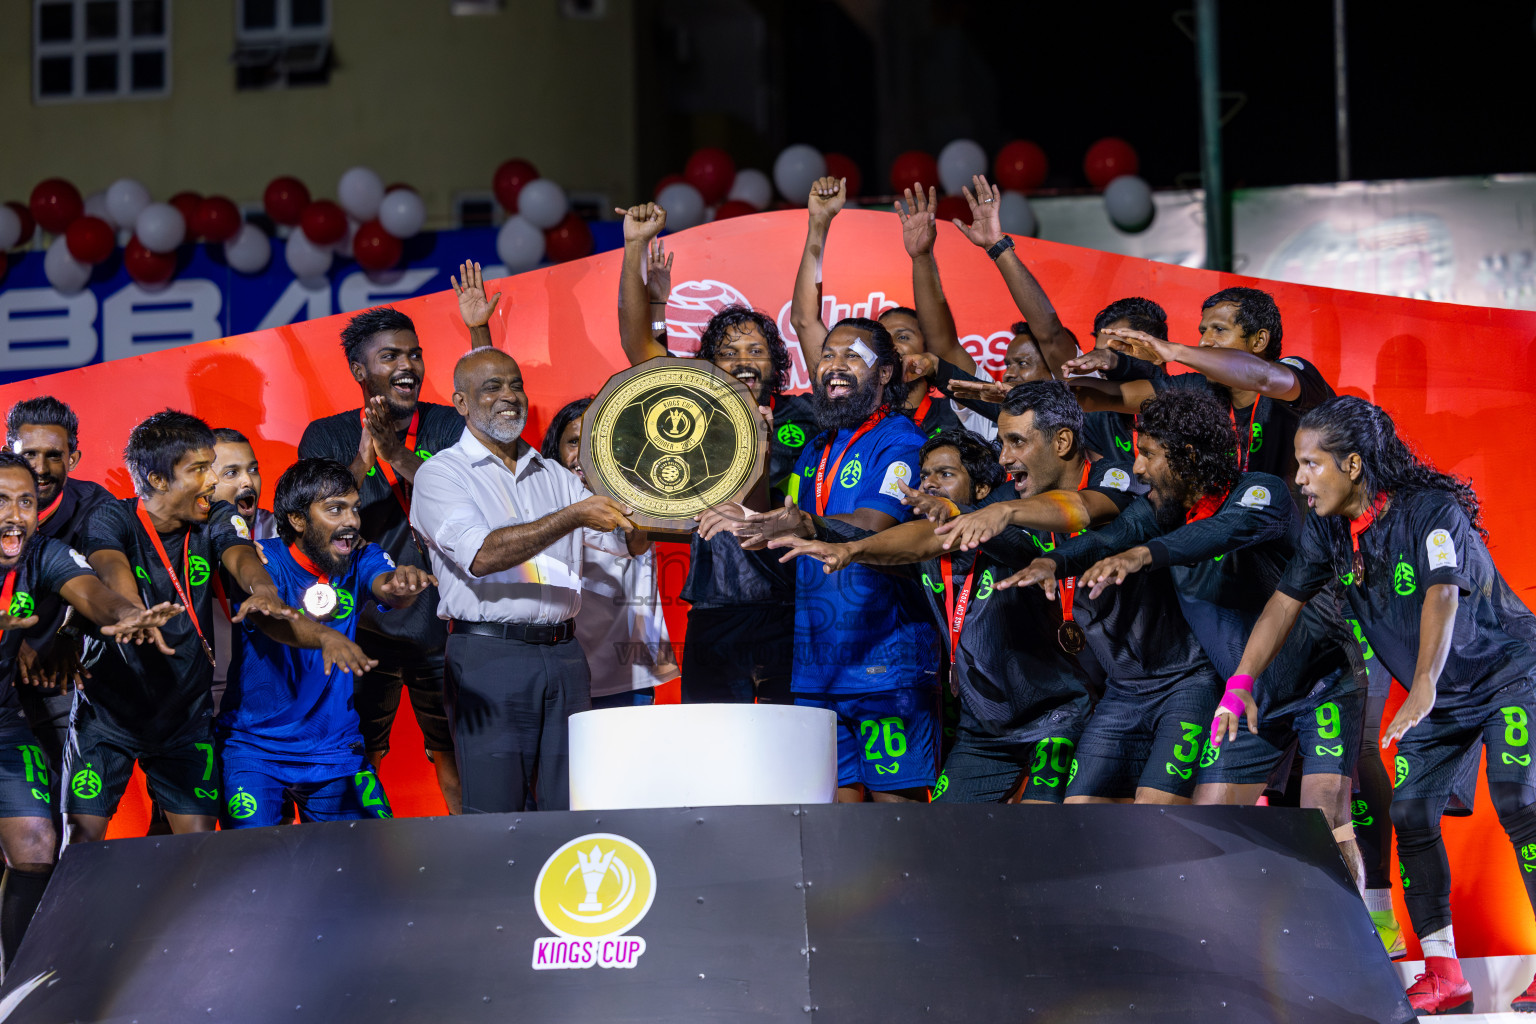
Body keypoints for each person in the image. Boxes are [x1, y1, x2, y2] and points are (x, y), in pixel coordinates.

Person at [1221, 396, 1536, 1014]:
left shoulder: (1431, 512)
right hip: (1434, 695)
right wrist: (1241, 683)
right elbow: (1283, 605)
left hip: (1506, 676)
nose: (1301, 479)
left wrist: (1421, 685)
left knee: (1519, 801)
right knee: (1412, 815)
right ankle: (1444, 972)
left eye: (1312, 464)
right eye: (1298, 465)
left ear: (1355, 465)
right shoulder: (1328, 529)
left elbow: (1442, 594)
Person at [1068, 390, 1365, 883]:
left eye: (1148, 455)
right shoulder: (1164, 512)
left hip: (1323, 685)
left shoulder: (1261, 491)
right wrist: (1047, 560)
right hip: (1251, 701)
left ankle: (1362, 940)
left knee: (1325, 823)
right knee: (1207, 821)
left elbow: (1218, 534)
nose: (1138, 469)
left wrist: (1142, 556)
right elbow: (1104, 537)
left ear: (1185, 457)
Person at [770, 426, 1099, 804]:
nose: (929, 484)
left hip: (1053, 720)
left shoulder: (1016, 533)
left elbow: (995, 541)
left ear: (979, 489)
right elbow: (906, 543)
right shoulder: (928, 555)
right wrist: (825, 531)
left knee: (1044, 830)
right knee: (943, 836)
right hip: (985, 732)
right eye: (924, 475)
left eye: (945, 475)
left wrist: (963, 515)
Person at [699, 318, 941, 802]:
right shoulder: (817, 446)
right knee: (837, 822)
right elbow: (790, 521)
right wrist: (747, 513)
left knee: (898, 824)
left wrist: (803, 523)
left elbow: (874, 525)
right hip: (816, 668)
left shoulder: (902, 441)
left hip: (883, 666)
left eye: (853, 356)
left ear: (886, 373)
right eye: (828, 355)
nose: (835, 366)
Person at [410, 348, 640, 814]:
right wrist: (572, 516)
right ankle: (494, 889)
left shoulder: (556, 475)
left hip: (566, 656)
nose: (508, 396)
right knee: (495, 810)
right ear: (460, 402)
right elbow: (481, 554)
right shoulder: (441, 475)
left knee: (569, 803)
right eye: (492, 387)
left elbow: (624, 543)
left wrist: (669, 498)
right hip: (488, 657)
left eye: (515, 384)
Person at [71, 412, 298, 842]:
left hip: (184, 717)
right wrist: (129, 612)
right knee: (78, 849)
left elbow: (240, 554)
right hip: (109, 716)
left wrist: (263, 588)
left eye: (211, 466)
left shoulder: (215, 515)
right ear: (157, 480)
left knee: (198, 852)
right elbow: (109, 564)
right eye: (198, 469)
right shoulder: (110, 518)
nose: (212, 480)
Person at [615, 202, 808, 704]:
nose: (743, 360)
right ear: (709, 365)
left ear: (776, 362)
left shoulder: (805, 415)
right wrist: (635, 247)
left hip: (791, 606)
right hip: (714, 608)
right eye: (728, 352)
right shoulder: (696, 410)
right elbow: (640, 347)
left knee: (784, 753)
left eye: (756, 350)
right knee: (715, 752)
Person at [297, 306, 465, 814]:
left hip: (448, 627)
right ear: (359, 370)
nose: (407, 365)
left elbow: (469, 502)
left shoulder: (449, 425)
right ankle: (365, 861)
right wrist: (362, 462)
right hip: (361, 631)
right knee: (359, 756)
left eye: (414, 353)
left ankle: (477, 860)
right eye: (389, 355)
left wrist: (398, 456)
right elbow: (311, 530)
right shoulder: (325, 437)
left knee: (454, 754)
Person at [218, 459, 435, 829]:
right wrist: (325, 637)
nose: (351, 520)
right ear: (298, 520)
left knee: (375, 859)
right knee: (254, 871)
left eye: (354, 508)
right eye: (335, 509)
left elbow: (385, 584)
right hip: (255, 750)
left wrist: (401, 588)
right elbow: (271, 620)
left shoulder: (361, 555)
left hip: (336, 751)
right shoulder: (261, 561)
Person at [5, 397, 114, 793]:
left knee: (60, 799)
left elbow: (104, 581)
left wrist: (70, 633)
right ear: (8, 451)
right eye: (29, 453)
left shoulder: (95, 507)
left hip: (58, 676)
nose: (40, 467)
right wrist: (10, 642)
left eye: (54, 455)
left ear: (74, 457)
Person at [540, 398, 678, 709]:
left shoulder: (641, 494)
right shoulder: (543, 506)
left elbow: (636, 541)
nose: (583, 454)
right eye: (574, 442)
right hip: (564, 667)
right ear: (556, 451)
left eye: (594, 441)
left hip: (629, 674)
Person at [208, 428, 279, 711]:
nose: (248, 481)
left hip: (270, 688)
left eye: (253, 469)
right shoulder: (186, 541)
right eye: (231, 473)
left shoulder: (281, 532)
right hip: (207, 690)